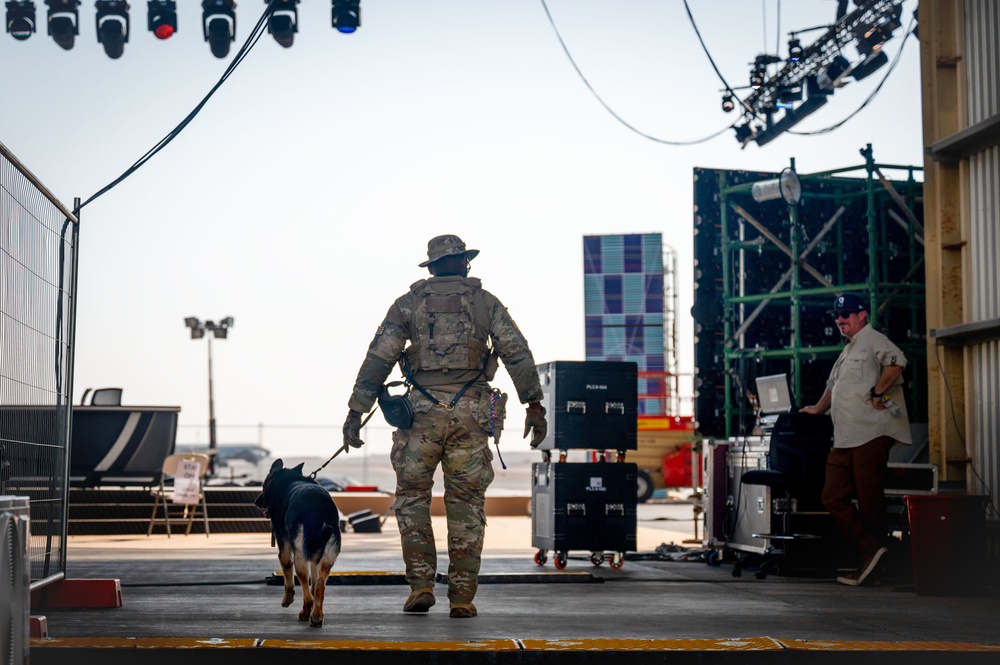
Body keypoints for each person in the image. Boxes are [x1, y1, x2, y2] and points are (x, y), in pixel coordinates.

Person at [342, 234, 548, 618]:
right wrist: (533, 405)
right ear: (465, 264)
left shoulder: (408, 304)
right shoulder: (485, 302)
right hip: (470, 415)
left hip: (419, 417)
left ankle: (421, 584)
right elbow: (516, 351)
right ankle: (462, 598)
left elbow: (379, 358)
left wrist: (356, 411)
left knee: (412, 499)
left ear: (432, 267)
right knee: (467, 505)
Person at [801, 293, 912, 586]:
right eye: (837, 316)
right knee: (831, 496)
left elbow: (897, 362)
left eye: (847, 314)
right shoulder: (849, 349)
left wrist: (878, 391)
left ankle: (876, 566)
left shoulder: (872, 339)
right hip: (845, 438)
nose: (840, 320)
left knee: (869, 501)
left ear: (862, 315)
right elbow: (833, 386)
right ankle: (873, 550)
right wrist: (817, 408)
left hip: (870, 434)